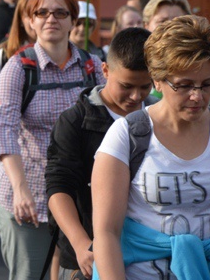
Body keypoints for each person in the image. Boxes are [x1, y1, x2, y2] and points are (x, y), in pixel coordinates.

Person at [0, 0, 105, 280]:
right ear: (30, 20)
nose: (50, 19)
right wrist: (20, 189)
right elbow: (3, 131)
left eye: (60, 12)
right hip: (29, 196)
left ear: (72, 20)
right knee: (30, 275)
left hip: (77, 198)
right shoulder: (18, 68)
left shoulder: (93, 68)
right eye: (41, 12)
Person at [92, 15, 210, 279]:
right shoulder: (127, 136)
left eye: (207, 84)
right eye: (183, 85)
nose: (197, 96)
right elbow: (107, 232)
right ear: (158, 80)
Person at [45, 28, 155, 279]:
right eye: (126, 86)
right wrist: (81, 243)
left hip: (147, 254)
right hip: (86, 257)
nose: (136, 96)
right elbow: (58, 186)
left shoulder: (159, 117)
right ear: (105, 71)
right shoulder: (75, 121)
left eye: (145, 86)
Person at [0, 0, 36, 70]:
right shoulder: (4, 54)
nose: (36, 21)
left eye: (42, 14)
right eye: (30, 15)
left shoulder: (65, 53)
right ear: (20, 20)